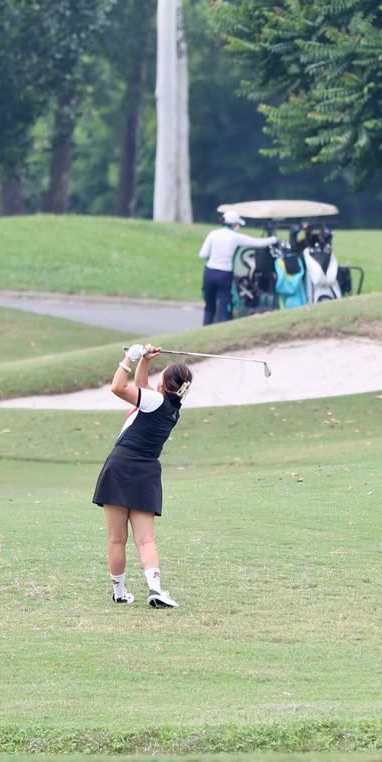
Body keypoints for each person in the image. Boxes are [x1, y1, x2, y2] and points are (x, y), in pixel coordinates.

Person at [92, 343, 192, 608]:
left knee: (116, 538)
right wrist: (146, 360)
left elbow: (117, 387)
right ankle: (155, 589)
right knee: (145, 539)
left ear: (164, 383)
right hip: (146, 471)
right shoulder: (171, 408)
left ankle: (120, 593)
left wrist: (129, 357)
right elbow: (141, 383)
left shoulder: (153, 400)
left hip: (121, 465)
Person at [198, 210, 278, 325]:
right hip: (224, 274)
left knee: (209, 306)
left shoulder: (213, 234)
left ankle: (205, 330)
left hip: (210, 272)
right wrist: (274, 239)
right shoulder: (235, 237)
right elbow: (257, 243)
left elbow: (203, 254)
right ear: (234, 224)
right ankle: (222, 331)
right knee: (224, 306)